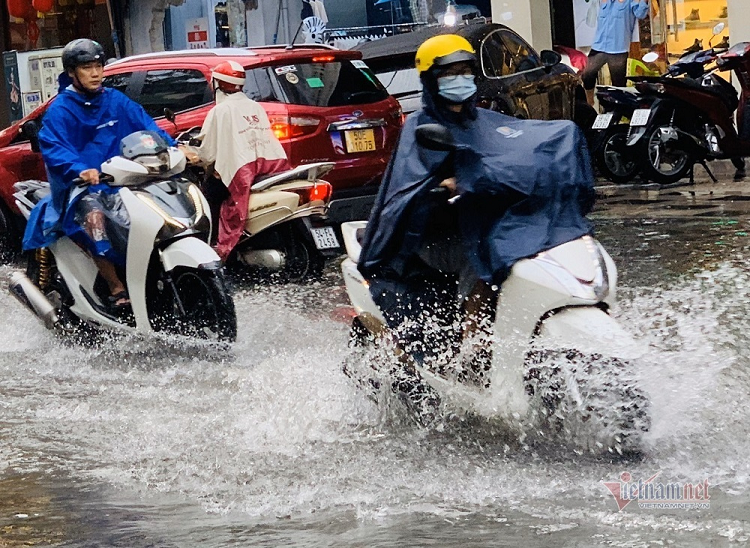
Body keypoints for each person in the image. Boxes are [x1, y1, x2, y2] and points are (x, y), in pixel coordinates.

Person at [357, 34, 595, 422]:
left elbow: (523, 148)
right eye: (449, 73)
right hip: (430, 237)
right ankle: (473, 350)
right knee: (482, 255)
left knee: (510, 244)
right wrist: (444, 185)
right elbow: (408, 187)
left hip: (484, 221)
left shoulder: (487, 120)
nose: (460, 79)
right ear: (431, 78)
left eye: (465, 71)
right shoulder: (421, 127)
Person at [22, 38, 176, 313]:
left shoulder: (116, 101)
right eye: (86, 67)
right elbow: (54, 147)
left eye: (98, 66)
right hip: (82, 189)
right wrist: (80, 169)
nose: (95, 73)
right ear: (72, 72)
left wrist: (173, 148)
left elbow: (148, 127)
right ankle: (116, 287)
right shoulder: (61, 109)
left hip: (125, 180)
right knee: (95, 218)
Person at [180, 60, 289, 260]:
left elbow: (207, 152)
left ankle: (213, 250)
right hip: (268, 167)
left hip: (240, 172)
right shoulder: (255, 106)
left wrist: (194, 155)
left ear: (218, 84)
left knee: (208, 198)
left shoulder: (219, 111)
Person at [581, 0, 650, 105]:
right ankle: (589, 102)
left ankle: (619, 110)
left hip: (618, 48)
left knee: (618, 84)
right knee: (587, 74)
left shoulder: (630, 1)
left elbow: (641, 13)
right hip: (599, 45)